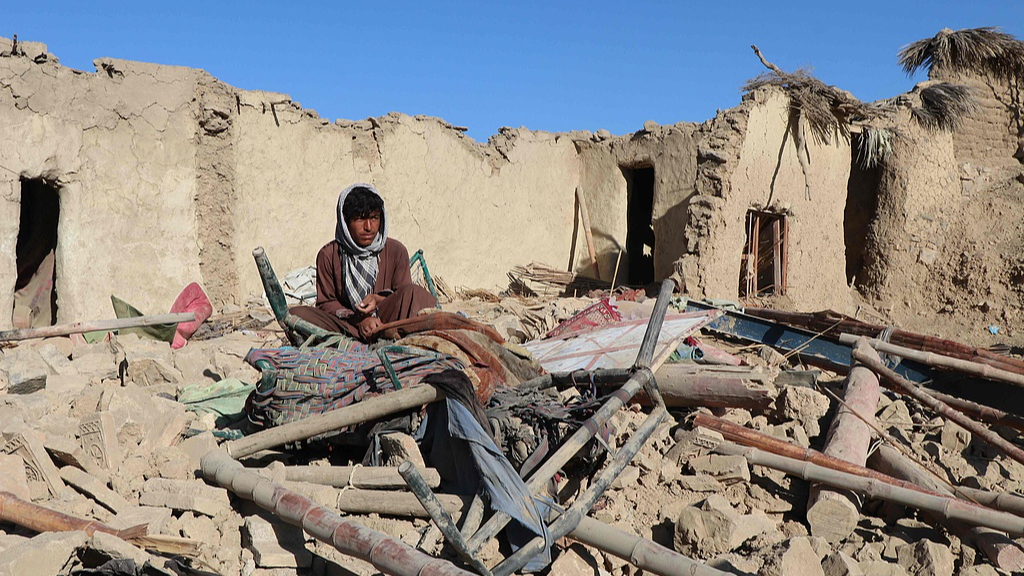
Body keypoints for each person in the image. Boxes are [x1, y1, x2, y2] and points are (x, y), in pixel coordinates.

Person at [290, 183, 437, 341]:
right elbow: (326, 303)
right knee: (295, 315)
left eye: (374, 218)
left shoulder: (396, 251)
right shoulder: (328, 255)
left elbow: (404, 296)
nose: (368, 227)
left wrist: (377, 300)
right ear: (345, 221)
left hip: (389, 321)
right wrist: (360, 320)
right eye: (360, 219)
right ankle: (368, 340)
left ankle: (388, 333)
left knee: (415, 292)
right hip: (348, 326)